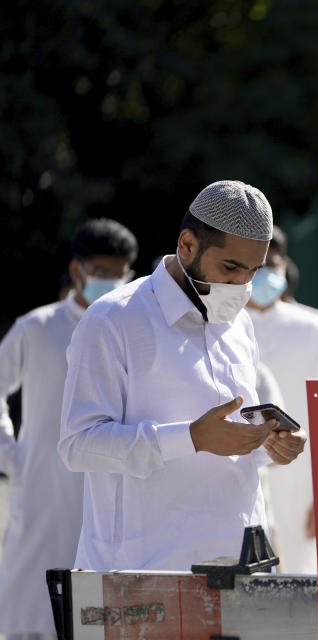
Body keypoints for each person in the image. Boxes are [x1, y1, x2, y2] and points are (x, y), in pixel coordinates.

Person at [59, 180, 306, 572]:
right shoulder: (114, 319)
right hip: (143, 574)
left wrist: (270, 444)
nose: (242, 285)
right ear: (187, 244)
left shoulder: (239, 324)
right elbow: (78, 445)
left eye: (253, 271)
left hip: (240, 569)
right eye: (230, 267)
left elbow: (231, 440)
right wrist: (190, 438)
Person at [0, 218, 137, 637]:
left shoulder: (132, 328)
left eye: (119, 274)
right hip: (43, 489)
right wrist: (14, 457)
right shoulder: (37, 327)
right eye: (102, 273)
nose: (111, 281)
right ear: (77, 270)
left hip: (115, 488)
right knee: (30, 610)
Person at [245, 225, 318, 573]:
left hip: (303, 484)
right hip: (243, 480)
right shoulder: (223, 325)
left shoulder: (314, 328)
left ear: (286, 266)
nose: (267, 273)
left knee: (304, 590)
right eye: (259, 265)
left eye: (275, 264)